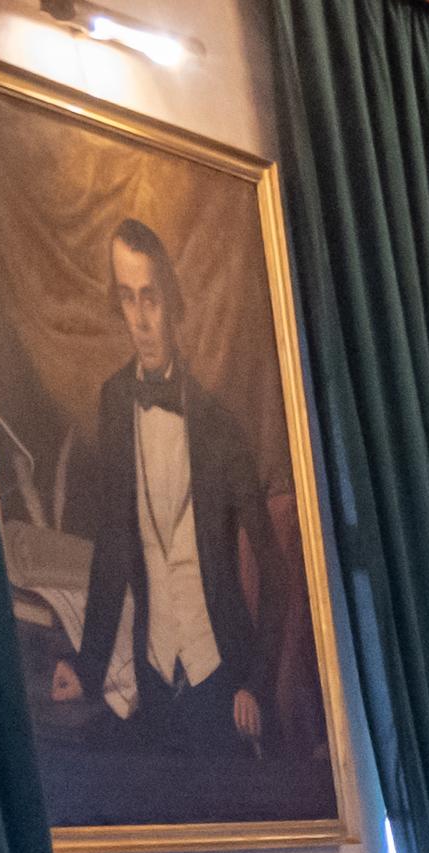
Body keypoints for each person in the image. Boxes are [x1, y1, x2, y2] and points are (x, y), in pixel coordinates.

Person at [53, 221, 276, 770]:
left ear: (172, 302)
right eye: (127, 299)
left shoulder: (219, 424)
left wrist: (255, 683)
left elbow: (275, 569)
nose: (141, 319)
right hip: (153, 679)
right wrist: (87, 667)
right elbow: (112, 547)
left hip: (221, 679)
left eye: (150, 298)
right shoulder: (114, 401)